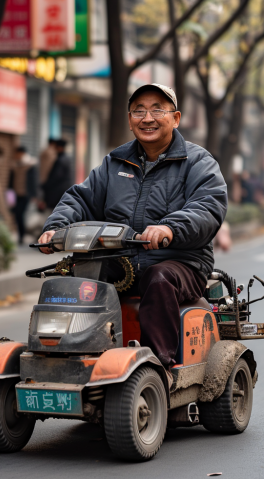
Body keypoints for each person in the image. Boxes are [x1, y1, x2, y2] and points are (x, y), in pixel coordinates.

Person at [38, 83, 227, 378]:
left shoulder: (198, 162)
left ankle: (158, 368)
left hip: (180, 263)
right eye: (139, 111)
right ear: (130, 120)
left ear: (175, 118)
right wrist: (55, 228)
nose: (147, 118)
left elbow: (208, 207)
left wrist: (169, 228)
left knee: (159, 276)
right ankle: (71, 356)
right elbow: (80, 198)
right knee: (74, 276)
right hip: (120, 260)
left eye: (157, 110)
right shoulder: (115, 162)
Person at [8, 145, 38, 245]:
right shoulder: (14, 165)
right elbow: (10, 182)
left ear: (22, 153)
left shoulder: (30, 164)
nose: (15, 155)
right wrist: (9, 196)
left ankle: (22, 236)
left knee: (21, 214)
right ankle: (21, 236)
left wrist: (35, 196)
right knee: (17, 215)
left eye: (17, 153)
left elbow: (33, 181)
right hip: (16, 195)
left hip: (26, 195)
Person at [41, 139, 73, 210]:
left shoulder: (60, 160)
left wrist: (46, 186)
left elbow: (56, 177)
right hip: (63, 191)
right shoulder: (66, 158)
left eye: (55, 147)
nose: (54, 149)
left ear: (60, 147)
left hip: (58, 192)